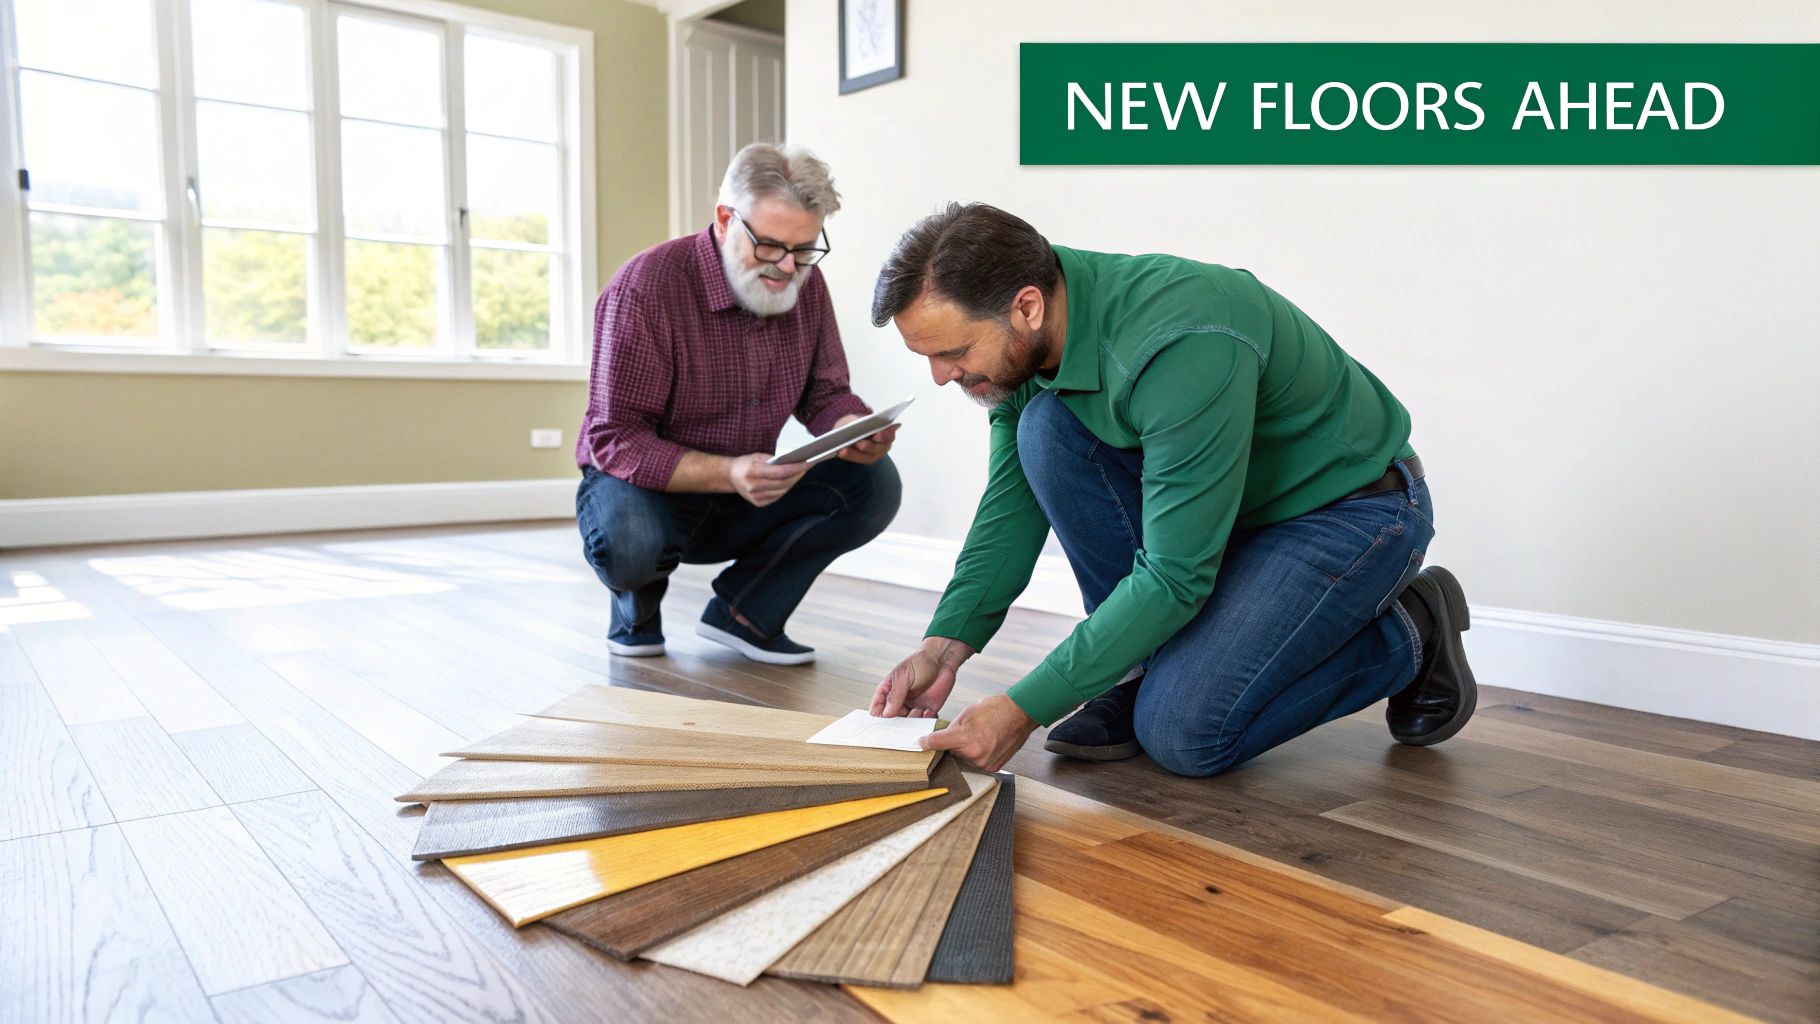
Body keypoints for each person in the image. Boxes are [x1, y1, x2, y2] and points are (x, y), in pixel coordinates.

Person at [868, 202, 1475, 775]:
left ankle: (1414, 627)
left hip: (1348, 512)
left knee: (1187, 736)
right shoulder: (1029, 339)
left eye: (952, 352)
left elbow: (1176, 575)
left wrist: (1023, 709)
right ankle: (1135, 671)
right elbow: (1011, 505)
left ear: (1026, 307)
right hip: (1222, 516)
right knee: (1046, 430)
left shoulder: (1181, 341)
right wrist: (944, 647)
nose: (942, 377)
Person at [574, 144, 901, 665]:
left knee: (874, 483)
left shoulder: (805, 284)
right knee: (631, 539)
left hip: (745, 493)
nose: (788, 267)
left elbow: (825, 391)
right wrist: (727, 472)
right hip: (647, 493)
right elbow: (615, 439)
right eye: (771, 246)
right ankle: (635, 607)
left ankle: (747, 615)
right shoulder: (646, 288)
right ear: (726, 219)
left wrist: (851, 425)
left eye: (804, 248)